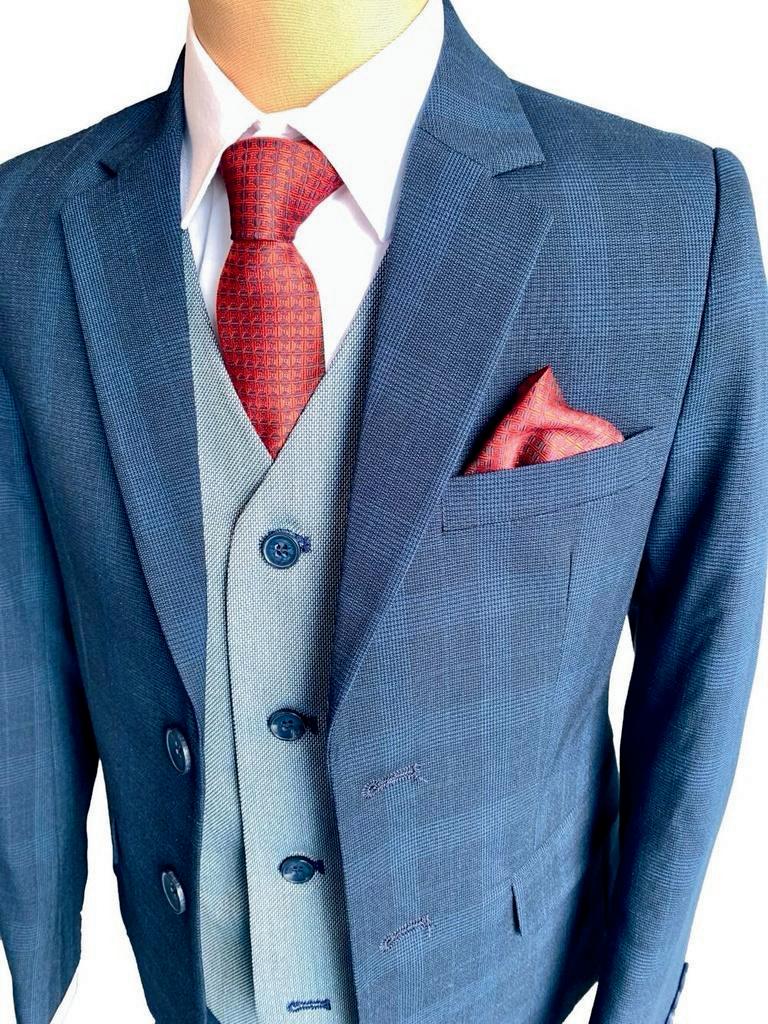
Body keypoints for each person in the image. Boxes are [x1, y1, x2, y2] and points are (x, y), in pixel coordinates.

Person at [0, 1, 765, 1023]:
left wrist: (635, 1002)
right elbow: (22, 653)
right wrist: (33, 966)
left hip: (505, 983)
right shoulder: (27, 228)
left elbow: (705, 651)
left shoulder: (667, 218)